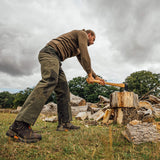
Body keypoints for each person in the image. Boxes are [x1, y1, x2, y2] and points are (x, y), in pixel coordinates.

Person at [6, 29, 105, 143]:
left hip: (56, 59)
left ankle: (65, 123)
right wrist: (89, 74)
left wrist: (95, 76)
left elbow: (83, 60)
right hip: (49, 54)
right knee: (50, 81)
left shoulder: (77, 48)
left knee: (63, 90)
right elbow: (85, 53)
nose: (93, 43)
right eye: (93, 39)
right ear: (89, 35)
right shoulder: (82, 34)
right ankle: (19, 125)